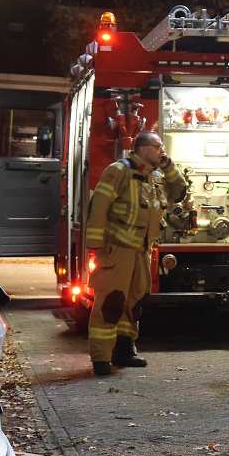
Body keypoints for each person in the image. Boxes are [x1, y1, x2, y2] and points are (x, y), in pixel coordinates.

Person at [85, 131, 186, 376]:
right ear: (142, 149)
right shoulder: (118, 171)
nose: (162, 151)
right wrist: (95, 243)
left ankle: (124, 350)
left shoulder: (155, 176)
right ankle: (101, 357)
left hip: (142, 251)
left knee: (135, 301)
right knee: (111, 302)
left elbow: (179, 191)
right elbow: (98, 206)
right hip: (117, 249)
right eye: (157, 146)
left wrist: (169, 165)